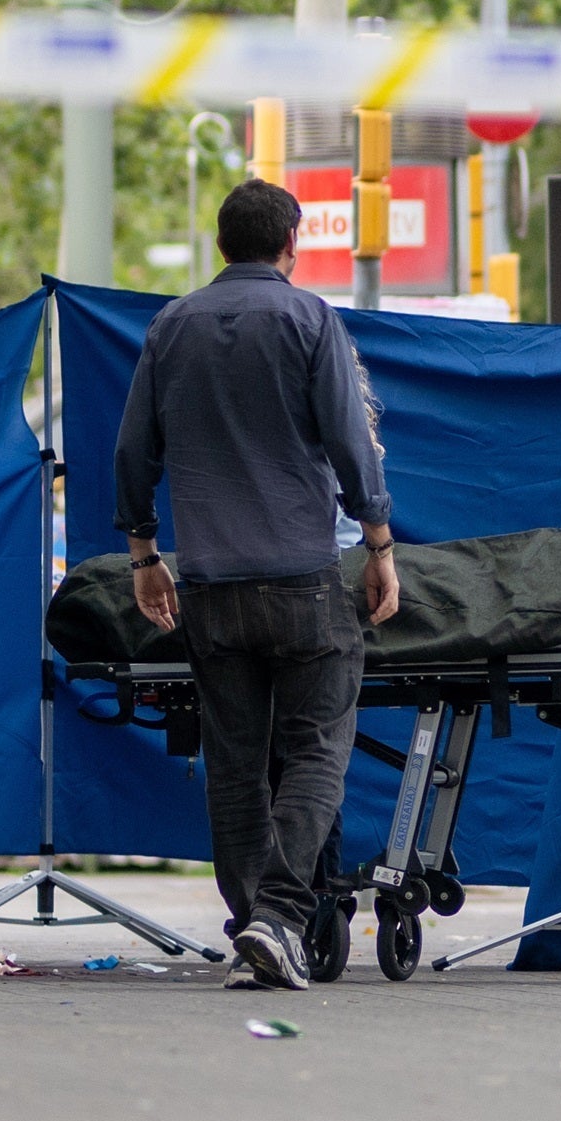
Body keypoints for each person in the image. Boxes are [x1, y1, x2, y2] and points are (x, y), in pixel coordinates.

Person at [114, 179, 399, 992]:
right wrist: (379, 541)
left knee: (235, 761)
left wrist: (144, 557)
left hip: (210, 585)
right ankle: (278, 916)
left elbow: (133, 452)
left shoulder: (170, 326)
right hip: (303, 578)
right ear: (291, 243)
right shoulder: (311, 319)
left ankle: (254, 925)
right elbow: (351, 443)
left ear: (219, 244)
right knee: (317, 747)